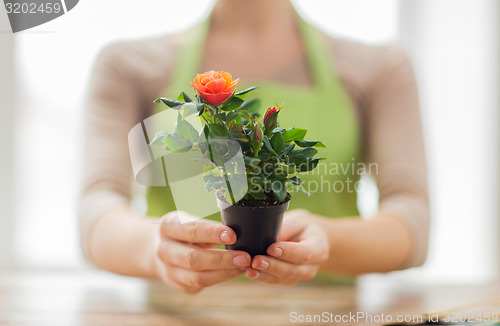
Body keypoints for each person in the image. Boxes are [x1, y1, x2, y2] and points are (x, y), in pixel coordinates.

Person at [80, 0, 429, 294]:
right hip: (175, 315)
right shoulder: (129, 65)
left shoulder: (379, 68)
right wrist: (155, 248)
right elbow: (96, 212)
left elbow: (412, 221)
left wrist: (328, 241)